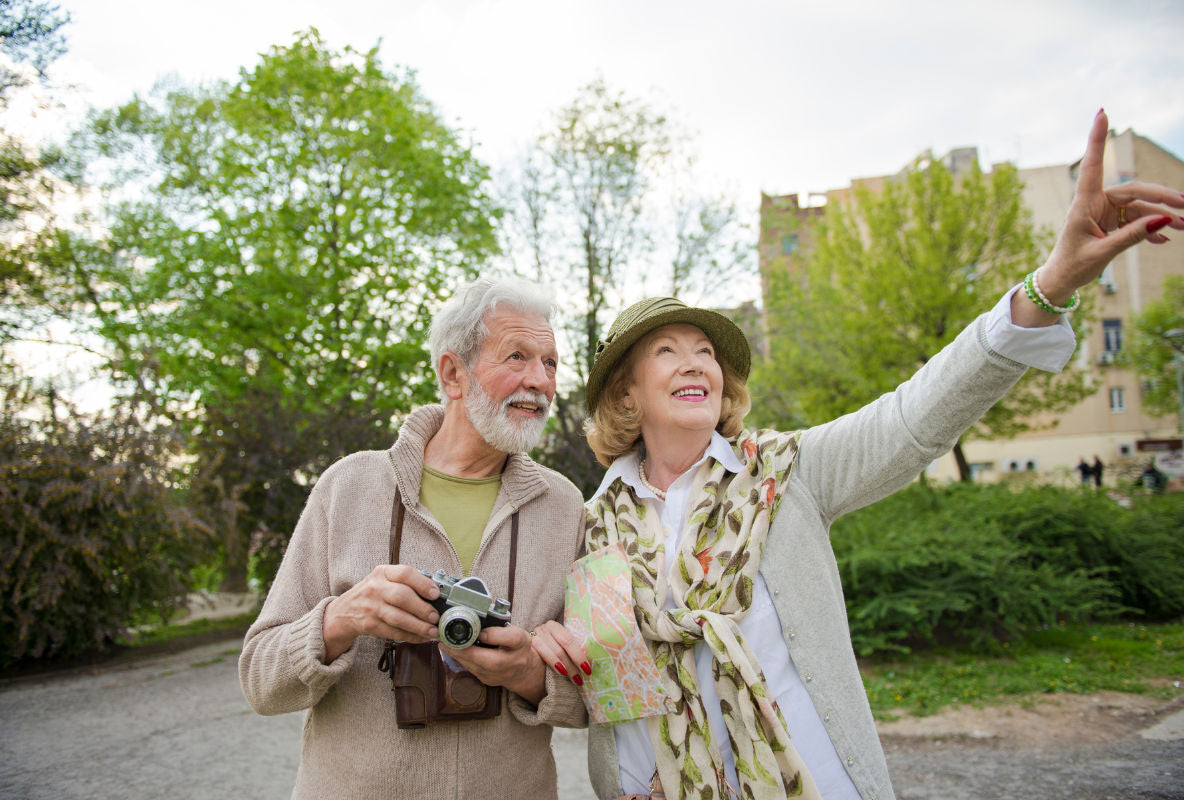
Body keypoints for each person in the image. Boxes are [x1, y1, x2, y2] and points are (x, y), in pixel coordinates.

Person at [530, 109, 1184, 800]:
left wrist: (1046, 285)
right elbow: (618, 689)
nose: (698, 364)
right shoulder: (595, 524)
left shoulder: (787, 474)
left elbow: (914, 416)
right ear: (627, 395)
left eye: (707, 352)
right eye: (668, 351)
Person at [239, 276, 587, 798]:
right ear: (453, 373)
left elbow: (600, 695)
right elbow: (260, 681)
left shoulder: (564, 507)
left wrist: (530, 676)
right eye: (516, 356)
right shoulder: (349, 486)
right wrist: (342, 618)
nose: (539, 379)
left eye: (551, 362)